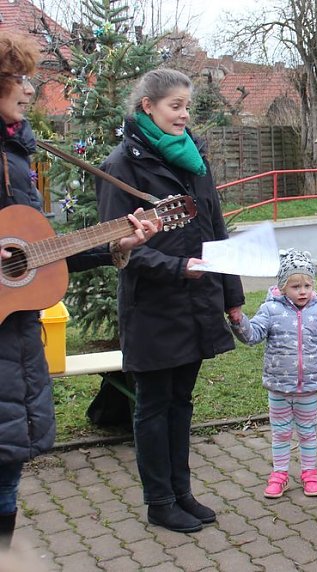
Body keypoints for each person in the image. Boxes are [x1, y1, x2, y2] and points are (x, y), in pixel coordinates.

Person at [0, 32, 158, 550]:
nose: (30, 90)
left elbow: (36, 255)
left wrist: (117, 244)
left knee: (7, 476)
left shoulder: (18, 155)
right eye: (18, 79)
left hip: (15, 347)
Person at [95, 68, 245, 533]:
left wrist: (232, 296)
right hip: (153, 307)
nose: (183, 115)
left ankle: (182, 493)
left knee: (182, 402)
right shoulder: (122, 165)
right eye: (174, 106)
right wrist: (178, 268)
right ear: (148, 106)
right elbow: (117, 248)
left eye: (186, 107)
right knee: (154, 405)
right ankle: (159, 501)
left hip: (197, 302)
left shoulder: (193, 158)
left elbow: (215, 228)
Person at [230, 249, 317, 498]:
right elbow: (253, 335)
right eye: (295, 286)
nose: (303, 291)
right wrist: (239, 321)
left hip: (309, 388)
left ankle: (309, 473)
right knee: (281, 433)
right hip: (279, 387)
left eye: (307, 285)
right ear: (283, 287)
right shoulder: (270, 310)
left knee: (308, 432)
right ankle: (280, 474)